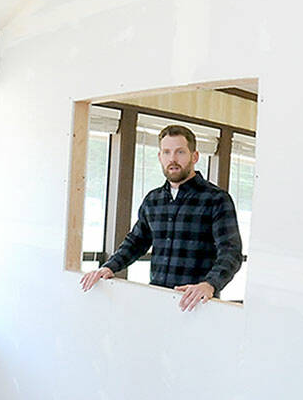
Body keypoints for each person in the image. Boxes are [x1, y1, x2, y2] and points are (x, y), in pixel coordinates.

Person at [80, 124, 244, 311]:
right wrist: (108, 268)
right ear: (160, 157)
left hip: (197, 306)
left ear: (195, 156)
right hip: (157, 302)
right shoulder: (153, 200)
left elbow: (231, 252)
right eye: (166, 152)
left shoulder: (217, 199)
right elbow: (136, 242)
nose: (172, 159)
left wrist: (210, 284)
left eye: (180, 152)